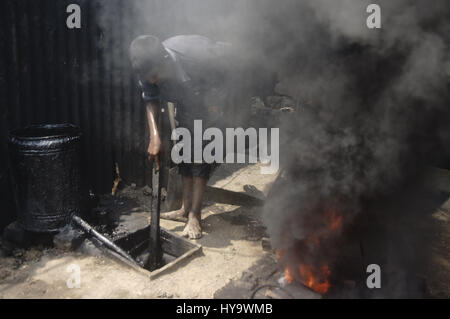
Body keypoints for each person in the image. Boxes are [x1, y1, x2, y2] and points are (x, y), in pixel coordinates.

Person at [129, 35, 230, 239]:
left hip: (209, 90)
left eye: (155, 76)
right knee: (183, 149)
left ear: (165, 59)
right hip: (185, 97)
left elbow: (221, 77)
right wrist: (154, 136)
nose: (152, 81)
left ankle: (195, 216)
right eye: (148, 78)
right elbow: (151, 98)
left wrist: (214, 108)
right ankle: (184, 209)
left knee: (201, 153)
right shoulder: (146, 65)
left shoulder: (196, 56)